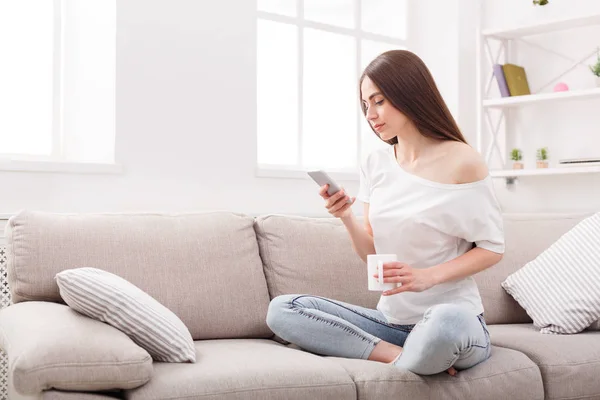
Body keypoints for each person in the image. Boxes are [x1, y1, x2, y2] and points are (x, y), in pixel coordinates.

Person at [266, 50, 505, 376]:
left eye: (379, 101)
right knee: (283, 309)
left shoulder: (463, 161)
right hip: (392, 324)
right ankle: (400, 356)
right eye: (366, 105)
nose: (371, 114)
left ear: (409, 93)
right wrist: (346, 217)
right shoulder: (375, 163)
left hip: (454, 320)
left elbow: (493, 247)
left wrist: (426, 277)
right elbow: (374, 256)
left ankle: (423, 351)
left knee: (444, 321)